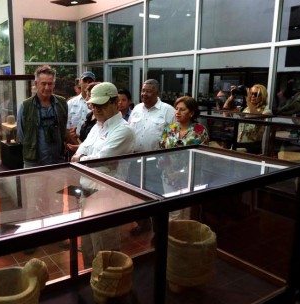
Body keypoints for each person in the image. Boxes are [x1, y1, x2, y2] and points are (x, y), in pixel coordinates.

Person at [71, 82, 137, 269]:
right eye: (94, 105)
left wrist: (84, 157)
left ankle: (110, 288)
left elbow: (96, 161)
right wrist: (86, 157)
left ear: (115, 103)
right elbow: (84, 154)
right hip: (86, 191)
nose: (96, 109)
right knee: (88, 243)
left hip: (107, 197)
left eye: (101, 104)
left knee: (106, 248)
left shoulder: (124, 130)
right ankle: (92, 281)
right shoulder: (97, 126)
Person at [128, 79, 175, 235]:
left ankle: (159, 233)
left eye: (148, 91)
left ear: (157, 93)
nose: (144, 94)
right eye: (143, 90)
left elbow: (173, 138)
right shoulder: (136, 109)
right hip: (134, 161)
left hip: (156, 163)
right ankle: (143, 223)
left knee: (156, 197)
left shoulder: (168, 111)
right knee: (135, 195)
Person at [158, 96, 209, 220]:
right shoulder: (169, 129)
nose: (177, 112)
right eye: (176, 109)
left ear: (191, 112)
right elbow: (161, 151)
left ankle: (184, 238)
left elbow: (201, 157)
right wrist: (169, 171)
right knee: (173, 212)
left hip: (190, 178)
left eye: (182, 109)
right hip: (169, 177)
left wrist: (182, 173)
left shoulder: (200, 131)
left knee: (188, 212)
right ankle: (170, 239)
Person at [17, 65, 69, 167]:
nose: (47, 87)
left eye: (50, 84)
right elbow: (22, 136)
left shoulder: (62, 103)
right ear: (36, 84)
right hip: (33, 164)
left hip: (58, 161)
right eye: (43, 84)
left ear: (54, 84)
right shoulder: (26, 106)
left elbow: (63, 129)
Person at [236, 84, 272, 153]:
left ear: (262, 96)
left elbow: (256, 118)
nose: (252, 96)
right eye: (251, 93)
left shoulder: (266, 111)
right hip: (239, 143)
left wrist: (248, 101)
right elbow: (226, 108)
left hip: (252, 147)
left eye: (255, 94)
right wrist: (232, 95)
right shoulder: (246, 109)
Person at [67, 71, 96, 142]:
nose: (87, 84)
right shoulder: (70, 103)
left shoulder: (96, 104)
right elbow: (67, 126)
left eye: (90, 81)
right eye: (85, 81)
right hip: (73, 142)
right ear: (80, 82)